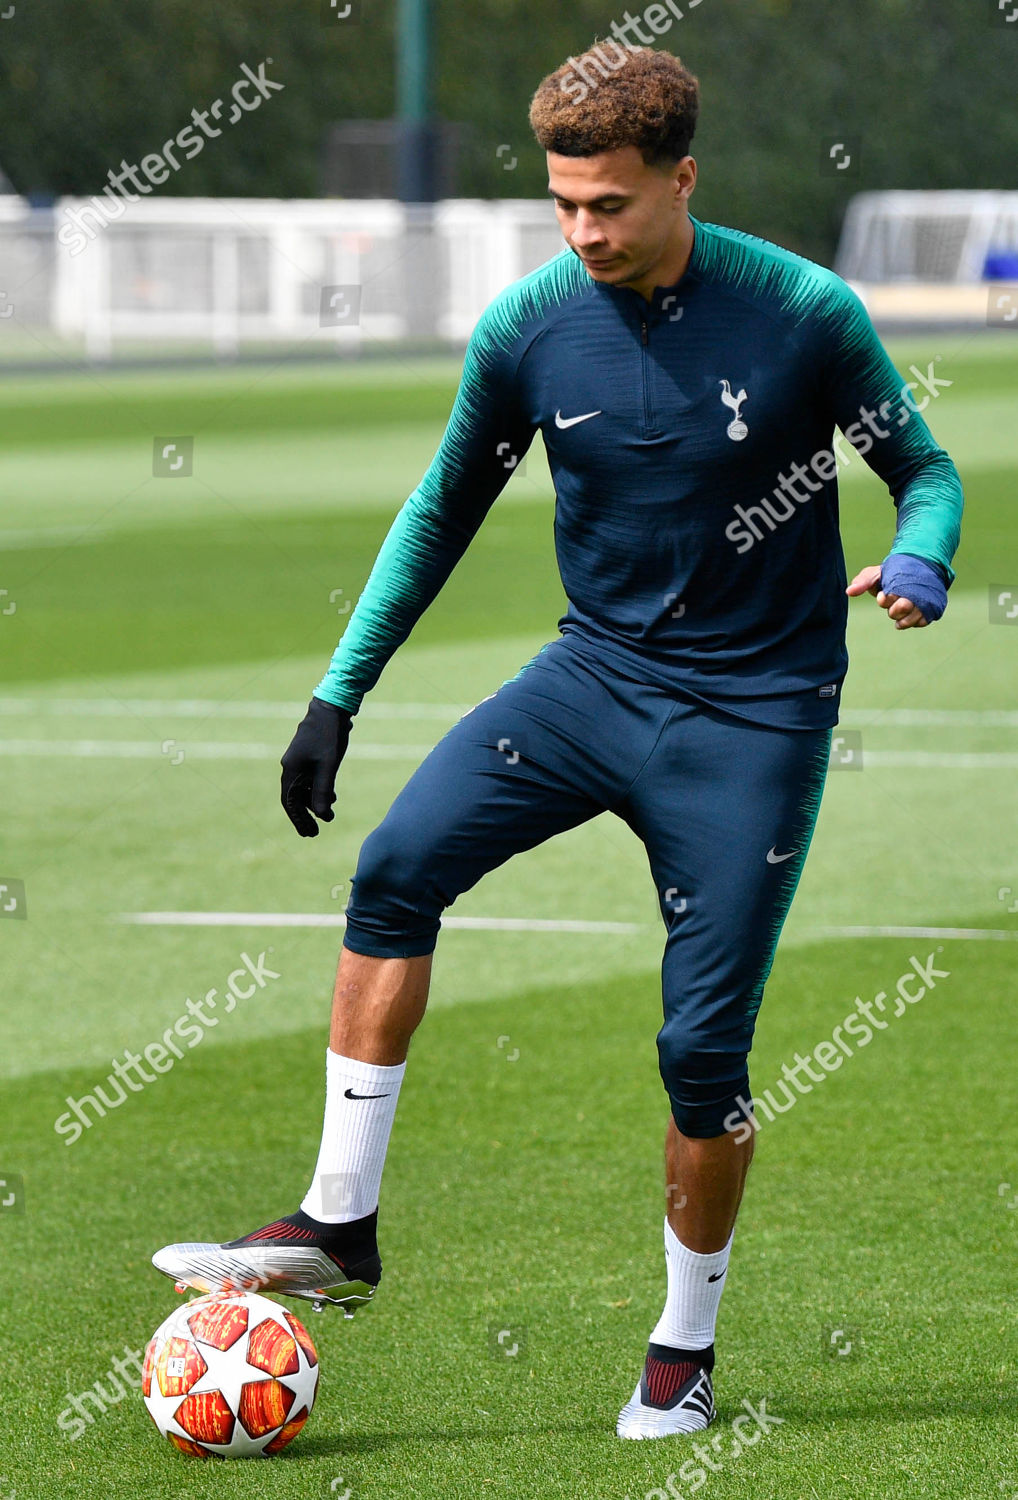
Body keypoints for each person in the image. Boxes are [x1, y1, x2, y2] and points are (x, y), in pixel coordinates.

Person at [152, 44, 962, 1439]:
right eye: (563, 205)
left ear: (681, 179)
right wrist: (338, 694)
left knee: (700, 1054)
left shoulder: (802, 314)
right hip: (589, 682)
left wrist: (921, 563)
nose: (582, 232)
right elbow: (439, 511)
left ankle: (683, 1349)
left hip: (753, 715)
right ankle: (341, 1221)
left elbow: (923, 472)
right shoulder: (531, 326)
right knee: (394, 868)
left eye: (610, 206)